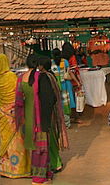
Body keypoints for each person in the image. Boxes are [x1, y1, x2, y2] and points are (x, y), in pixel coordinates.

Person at [16, 55, 68, 184]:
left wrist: (20, 119)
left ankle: (42, 173)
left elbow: (18, 101)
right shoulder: (42, 77)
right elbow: (50, 99)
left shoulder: (21, 78)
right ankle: (39, 177)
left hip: (28, 117)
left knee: (34, 148)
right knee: (42, 148)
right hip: (41, 118)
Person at [0, 53, 30, 179]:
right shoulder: (11, 76)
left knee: (5, 140)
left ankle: (5, 169)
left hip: (2, 113)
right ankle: (19, 169)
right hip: (14, 113)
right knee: (18, 141)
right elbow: (19, 92)